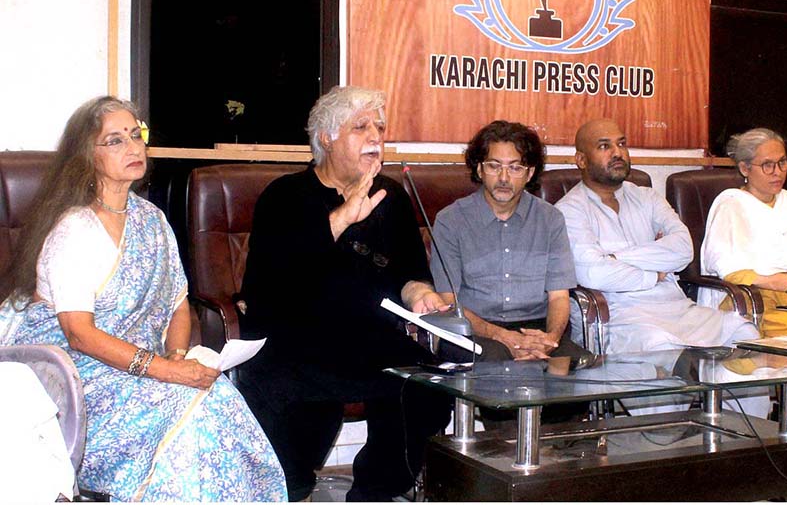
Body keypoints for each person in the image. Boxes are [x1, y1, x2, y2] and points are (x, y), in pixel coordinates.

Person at [0, 96, 286, 502]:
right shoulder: (75, 230)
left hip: (139, 370)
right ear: (88, 155)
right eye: (115, 141)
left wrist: (177, 353)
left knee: (217, 396)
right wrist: (165, 372)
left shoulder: (150, 219)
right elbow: (79, 335)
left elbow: (177, 303)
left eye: (137, 135)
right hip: (79, 381)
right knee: (194, 416)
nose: (134, 147)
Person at [237, 86, 452, 502]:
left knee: (428, 387)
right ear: (325, 139)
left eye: (380, 128)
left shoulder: (390, 195)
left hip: (372, 338)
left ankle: (375, 491)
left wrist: (421, 294)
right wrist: (341, 218)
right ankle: (290, 489)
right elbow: (270, 284)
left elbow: (410, 274)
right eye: (361, 127)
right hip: (296, 339)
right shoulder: (284, 196)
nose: (375, 136)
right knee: (284, 394)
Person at [555, 118, 759, 355]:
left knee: (743, 331)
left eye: (621, 144)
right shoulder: (569, 210)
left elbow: (683, 250)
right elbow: (593, 272)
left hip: (677, 308)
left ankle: (721, 392)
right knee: (660, 345)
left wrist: (614, 257)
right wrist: (655, 274)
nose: (618, 152)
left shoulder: (648, 197)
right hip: (620, 317)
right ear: (581, 159)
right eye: (604, 146)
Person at [431, 120, 587, 363]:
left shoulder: (550, 219)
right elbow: (448, 301)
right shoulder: (450, 221)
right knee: (497, 367)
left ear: (530, 173)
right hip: (475, 330)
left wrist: (550, 339)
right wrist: (502, 336)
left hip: (536, 329)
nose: (504, 177)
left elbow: (559, 296)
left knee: (579, 371)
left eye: (515, 168)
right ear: (480, 170)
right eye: (494, 166)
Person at [700, 128, 787, 337]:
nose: (778, 172)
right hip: (754, 300)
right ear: (745, 169)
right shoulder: (732, 205)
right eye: (767, 165)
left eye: (782, 162)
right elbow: (728, 269)